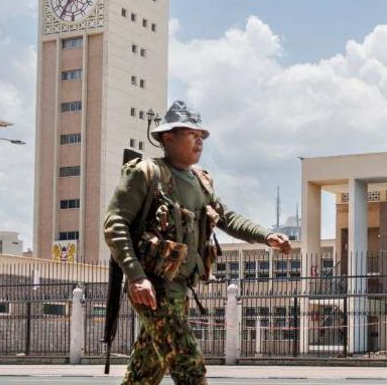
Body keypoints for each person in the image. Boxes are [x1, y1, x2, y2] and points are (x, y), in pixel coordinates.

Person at [103, 100, 291, 385]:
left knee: (145, 372)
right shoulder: (145, 173)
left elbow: (226, 217)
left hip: (180, 288)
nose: (199, 141)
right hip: (153, 287)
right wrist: (135, 275)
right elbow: (115, 224)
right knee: (188, 364)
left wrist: (266, 235)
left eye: (202, 136)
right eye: (192, 134)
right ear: (168, 138)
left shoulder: (201, 181)